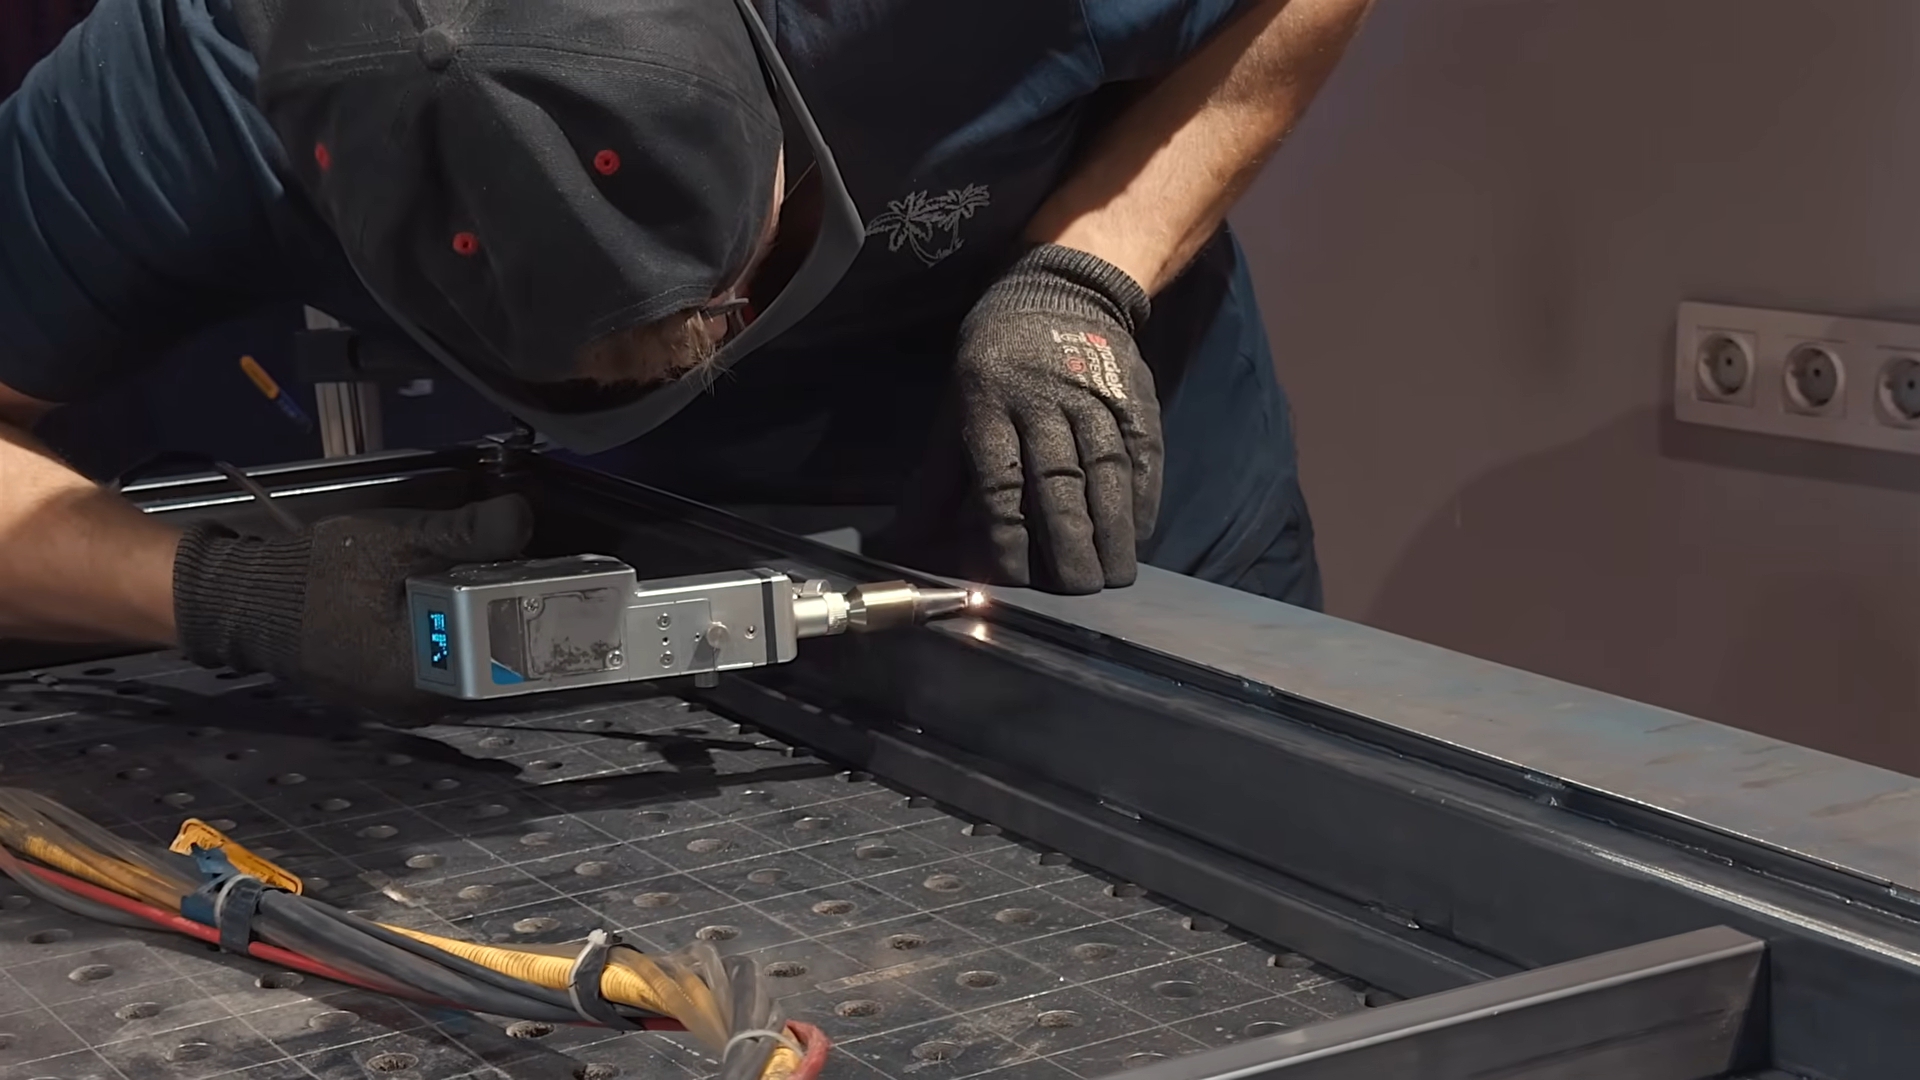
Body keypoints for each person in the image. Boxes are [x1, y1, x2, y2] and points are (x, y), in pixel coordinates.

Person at [0, 0, 1374, 714]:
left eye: (723, 301)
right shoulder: (192, 88)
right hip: (631, 616)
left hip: (1115, 505)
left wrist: (1094, 262)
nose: (697, 360)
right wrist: (229, 595)